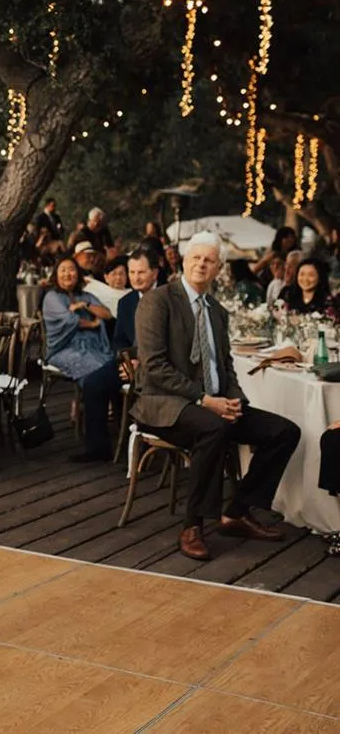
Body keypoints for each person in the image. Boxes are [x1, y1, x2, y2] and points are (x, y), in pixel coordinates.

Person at [132, 231, 300, 561]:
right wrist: (204, 399)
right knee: (214, 427)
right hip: (163, 403)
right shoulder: (159, 301)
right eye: (196, 257)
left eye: (209, 260)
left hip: (213, 403)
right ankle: (192, 526)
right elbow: (154, 367)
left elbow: (225, 366)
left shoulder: (217, 311)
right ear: (183, 261)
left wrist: (236, 401)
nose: (202, 264)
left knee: (284, 432)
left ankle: (236, 512)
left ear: (218, 267)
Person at [43, 256, 120, 461]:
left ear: (78, 274)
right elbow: (69, 320)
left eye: (71, 270)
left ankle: (115, 432)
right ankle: (98, 443)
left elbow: (106, 315)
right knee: (97, 375)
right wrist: (92, 325)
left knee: (111, 369)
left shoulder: (86, 295)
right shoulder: (52, 297)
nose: (68, 274)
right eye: (63, 270)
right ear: (56, 275)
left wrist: (85, 305)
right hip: (65, 349)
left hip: (94, 347)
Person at [113, 248, 158, 352]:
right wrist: (128, 360)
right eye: (132, 272)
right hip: (133, 361)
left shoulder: (170, 297)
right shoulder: (125, 302)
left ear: (154, 273)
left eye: (141, 272)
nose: (136, 278)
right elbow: (120, 341)